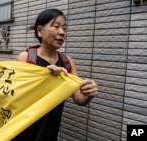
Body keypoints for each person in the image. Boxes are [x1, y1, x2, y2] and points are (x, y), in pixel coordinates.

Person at [13, 9, 98, 141]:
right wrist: (47, 79)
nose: (62, 32)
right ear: (40, 31)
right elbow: (13, 95)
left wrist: (88, 92)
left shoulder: (67, 62)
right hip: (21, 132)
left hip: (51, 132)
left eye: (64, 28)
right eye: (56, 26)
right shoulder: (26, 58)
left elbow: (79, 99)